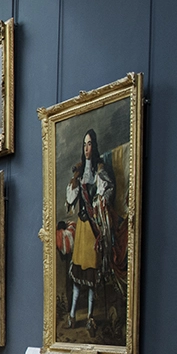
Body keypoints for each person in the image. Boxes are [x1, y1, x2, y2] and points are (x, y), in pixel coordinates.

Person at [65, 129, 119, 332]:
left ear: (94, 146)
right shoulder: (79, 173)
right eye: (84, 144)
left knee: (91, 277)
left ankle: (89, 317)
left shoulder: (99, 170)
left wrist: (100, 200)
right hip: (82, 229)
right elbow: (70, 200)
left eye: (89, 144)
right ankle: (71, 314)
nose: (87, 148)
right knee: (79, 274)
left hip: (93, 228)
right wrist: (74, 185)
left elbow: (109, 190)